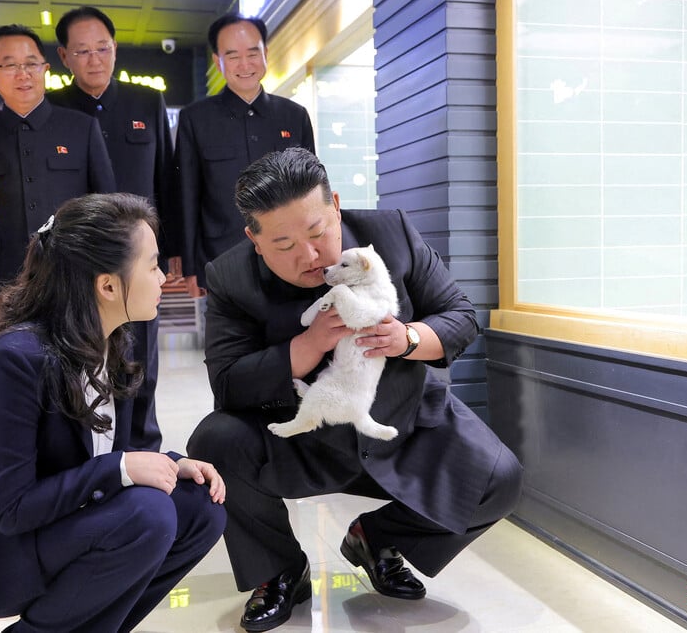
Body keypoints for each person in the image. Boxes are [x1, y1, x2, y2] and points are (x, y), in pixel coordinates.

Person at [186, 148, 523, 632]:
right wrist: (307, 345)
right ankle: (280, 570)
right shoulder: (230, 276)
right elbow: (228, 383)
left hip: (400, 421)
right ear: (254, 240)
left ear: (337, 207)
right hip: (304, 435)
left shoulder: (391, 233)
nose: (309, 256)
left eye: (318, 232)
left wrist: (406, 339)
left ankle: (377, 538)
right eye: (283, 244)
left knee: (499, 479)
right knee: (214, 440)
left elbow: (459, 315)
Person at [0, 193, 227, 632]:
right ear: (107, 286)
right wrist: (121, 468)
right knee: (148, 515)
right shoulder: (17, 359)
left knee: (200, 506)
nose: (162, 277)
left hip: (65, 522)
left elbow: (120, 454)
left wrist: (173, 464)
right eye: (153, 266)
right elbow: (12, 509)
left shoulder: (117, 340)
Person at [49, 6, 174, 450]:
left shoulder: (147, 102)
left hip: (140, 258)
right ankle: (96, 452)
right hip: (83, 260)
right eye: (82, 51)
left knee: (142, 358)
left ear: (115, 48)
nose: (94, 59)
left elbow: (166, 178)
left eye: (102, 48)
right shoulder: (54, 109)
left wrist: (169, 253)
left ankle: (143, 448)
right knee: (86, 358)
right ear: (64, 56)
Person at [0, 24, 116, 331]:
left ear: (45, 68)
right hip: (2, 280)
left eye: (31, 64)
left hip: (74, 276)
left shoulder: (81, 128)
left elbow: (106, 207)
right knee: (7, 355)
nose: (23, 74)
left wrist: (108, 271)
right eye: (10, 65)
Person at [172, 13, 315, 298]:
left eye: (252, 53)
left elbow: (312, 190)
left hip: (290, 256)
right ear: (218, 62)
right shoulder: (195, 119)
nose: (245, 64)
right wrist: (191, 266)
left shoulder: (294, 115)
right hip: (221, 258)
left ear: (265, 54)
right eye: (233, 56)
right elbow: (186, 196)